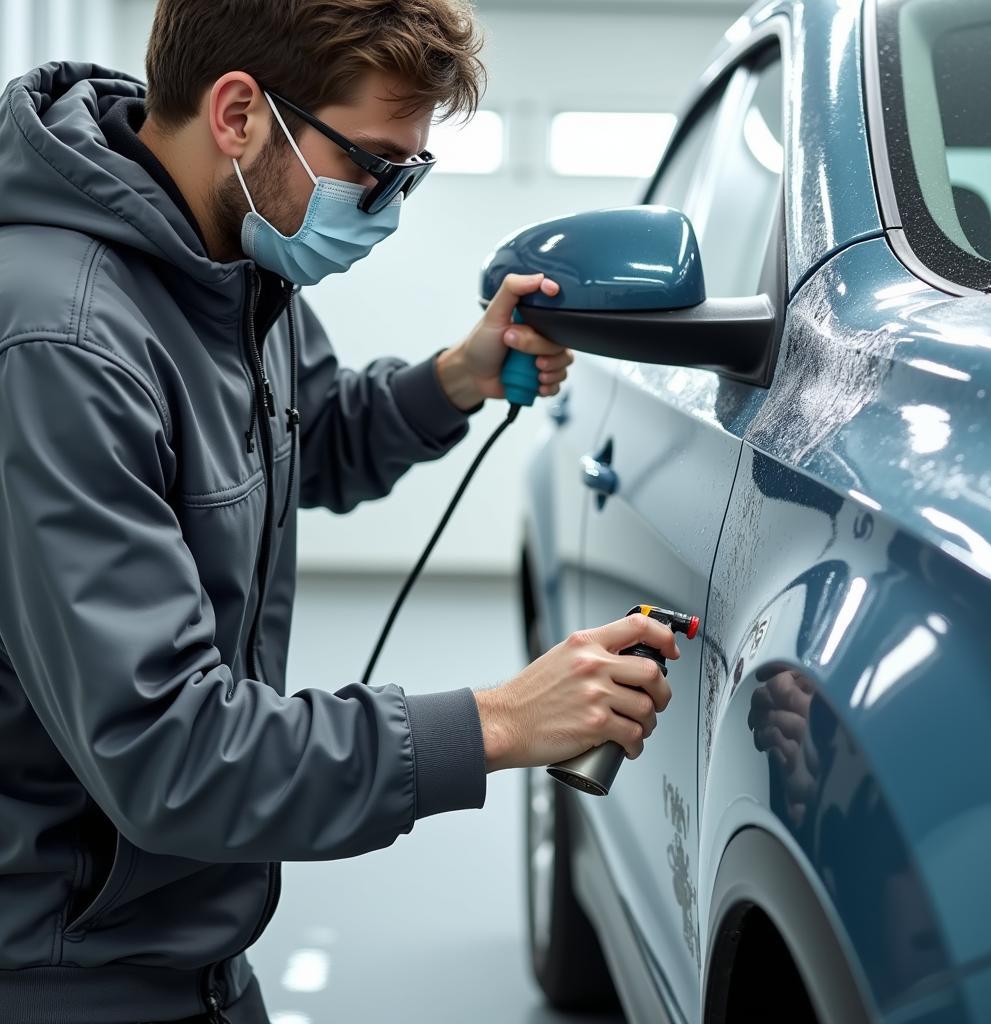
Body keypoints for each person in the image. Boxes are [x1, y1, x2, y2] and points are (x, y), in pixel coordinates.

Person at [0, 2, 678, 1021]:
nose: (389, 202)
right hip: (68, 975)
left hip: (187, 942)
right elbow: (170, 752)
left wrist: (457, 377)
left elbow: (298, 438)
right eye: (373, 164)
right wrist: (495, 723)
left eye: (412, 173)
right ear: (238, 113)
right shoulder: (66, 343)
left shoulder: (229, 262)